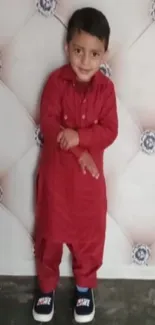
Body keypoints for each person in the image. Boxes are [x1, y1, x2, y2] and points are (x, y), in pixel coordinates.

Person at [32, 6, 118, 324]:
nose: (85, 61)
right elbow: (50, 125)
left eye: (94, 54)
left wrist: (80, 138)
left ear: (104, 55)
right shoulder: (55, 83)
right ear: (67, 47)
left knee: (89, 237)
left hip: (88, 188)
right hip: (55, 182)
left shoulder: (106, 91)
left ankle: (84, 287)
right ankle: (46, 288)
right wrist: (79, 151)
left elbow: (110, 130)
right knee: (50, 236)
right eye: (79, 51)